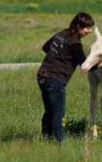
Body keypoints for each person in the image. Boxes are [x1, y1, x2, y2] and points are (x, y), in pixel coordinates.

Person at [37, 12, 95, 143]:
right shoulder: (75, 43)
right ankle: (60, 142)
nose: (90, 31)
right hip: (55, 79)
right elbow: (84, 64)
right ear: (79, 26)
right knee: (59, 113)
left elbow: (46, 47)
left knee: (49, 111)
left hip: (42, 75)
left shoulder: (62, 34)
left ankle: (46, 139)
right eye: (87, 28)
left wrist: (58, 55)